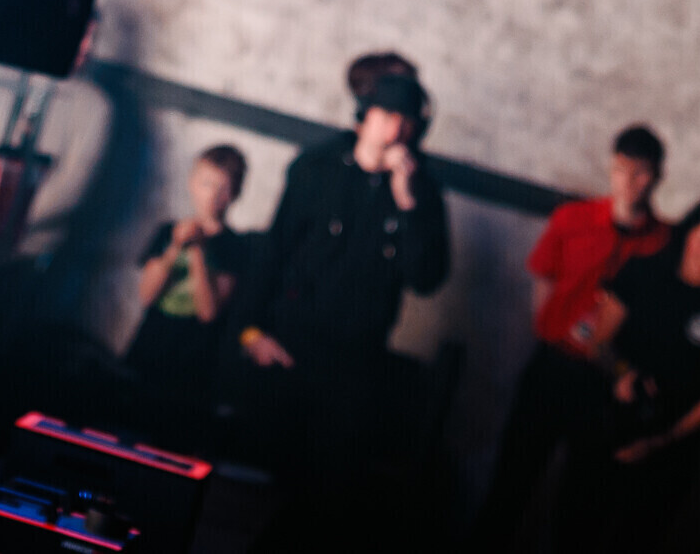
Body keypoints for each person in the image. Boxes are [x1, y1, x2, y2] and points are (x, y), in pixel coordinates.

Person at [230, 68, 453, 530]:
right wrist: (249, 332)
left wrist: (407, 203)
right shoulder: (317, 167)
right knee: (251, 488)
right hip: (288, 343)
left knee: (324, 499)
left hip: (355, 362)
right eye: (387, 116)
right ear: (363, 119)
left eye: (407, 122)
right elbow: (272, 252)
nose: (396, 130)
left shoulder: (423, 189)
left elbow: (427, 279)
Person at [473, 123, 676, 549]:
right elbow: (544, 276)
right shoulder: (574, 218)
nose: (630, 182)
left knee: (582, 499)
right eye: (621, 170)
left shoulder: (663, 243)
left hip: (607, 381)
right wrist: (552, 330)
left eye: (641, 173)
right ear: (611, 168)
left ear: (657, 176)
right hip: (554, 365)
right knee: (514, 477)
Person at [588, 192, 700, 533]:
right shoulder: (643, 271)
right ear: (688, 233)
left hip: (674, 441)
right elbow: (599, 343)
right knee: (580, 522)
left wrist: (662, 441)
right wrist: (624, 374)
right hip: (610, 422)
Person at [124, 145, 251, 431]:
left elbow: (208, 312)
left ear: (234, 193)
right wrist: (174, 247)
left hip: (191, 365)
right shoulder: (168, 231)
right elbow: (147, 295)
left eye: (222, 188)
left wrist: (197, 251)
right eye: (206, 183)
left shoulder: (236, 247)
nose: (212, 195)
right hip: (147, 351)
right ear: (192, 183)